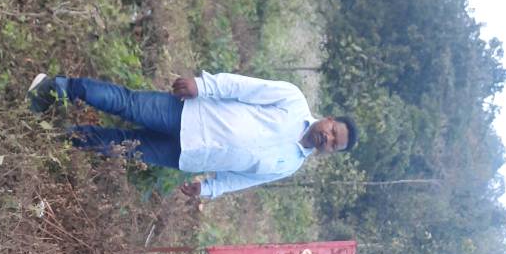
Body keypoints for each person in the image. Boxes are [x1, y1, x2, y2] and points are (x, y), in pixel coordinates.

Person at [27, 70, 358, 199]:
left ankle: (56, 138)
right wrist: (203, 86)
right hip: (189, 115)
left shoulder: (290, 165)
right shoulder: (293, 100)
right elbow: (243, 87)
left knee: (119, 146)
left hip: (186, 155)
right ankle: (55, 88)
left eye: (334, 144)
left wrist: (209, 188)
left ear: (330, 152)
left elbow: (242, 178)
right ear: (329, 119)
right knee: (127, 104)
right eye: (332, 132)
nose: (327, 139)